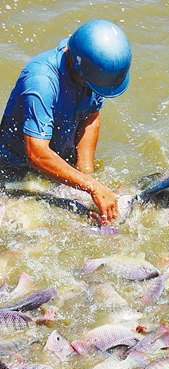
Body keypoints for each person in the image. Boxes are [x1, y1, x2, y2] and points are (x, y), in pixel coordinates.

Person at [0, 18, 131, 223]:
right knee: (34, 229)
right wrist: (92, 187)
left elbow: (91, 116)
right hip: (17, 169)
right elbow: (36, 153)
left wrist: (87, 174)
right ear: (80, 72)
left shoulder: (90, 67)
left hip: (59, 159)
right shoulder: (41, 82)